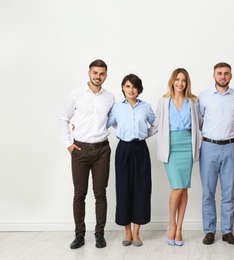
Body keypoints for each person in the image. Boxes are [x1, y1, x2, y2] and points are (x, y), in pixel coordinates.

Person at [59, 59, 115, 249]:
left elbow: (114, 121)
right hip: (80, 150)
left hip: (102, 150)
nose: (98, 77)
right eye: (95, 73)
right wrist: (68, 144)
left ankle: (100, 234)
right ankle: (79, 235)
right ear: (89, 73)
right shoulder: (75, 94)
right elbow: (63, 118)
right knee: (79, 194)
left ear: (106, 75)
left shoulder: (110, 97)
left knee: (100, 193)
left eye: (102, 74)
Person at [149, 68, 202, 246]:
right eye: (177, 79)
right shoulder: (164, 101)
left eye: (184, 80)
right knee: (177, 188)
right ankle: (171, 225)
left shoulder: (193, 101)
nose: (180, 83)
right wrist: (135, 134)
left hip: (187, 145)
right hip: (170, 147)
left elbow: (201, 123)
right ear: (172, 81)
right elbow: (156, 125)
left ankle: (179, 228)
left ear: (187, 83)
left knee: (184, 188)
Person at [106, 74, 155, 247]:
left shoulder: (146, 107)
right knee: (123, 188)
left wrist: (142, 135)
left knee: (142, 189)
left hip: (141, 149)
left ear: (139, 89)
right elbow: (107, 123)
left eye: (134, 87)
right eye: (127, 86)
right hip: (123, 149)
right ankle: (127, 232)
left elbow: (156, 124)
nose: (131, 90)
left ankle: (137, 233)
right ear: (123, 88)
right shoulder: (117, 107)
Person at [198, 62, 234, 245]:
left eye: (226, 73)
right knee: (208, 192)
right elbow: (200, 120)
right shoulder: (204, 96)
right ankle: (209, 231)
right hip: (209, 147)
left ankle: (227, 231)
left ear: (231, 76)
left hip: (231, 147)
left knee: (228, 192)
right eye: (219, 73)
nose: (223, 76)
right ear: (214, 75)